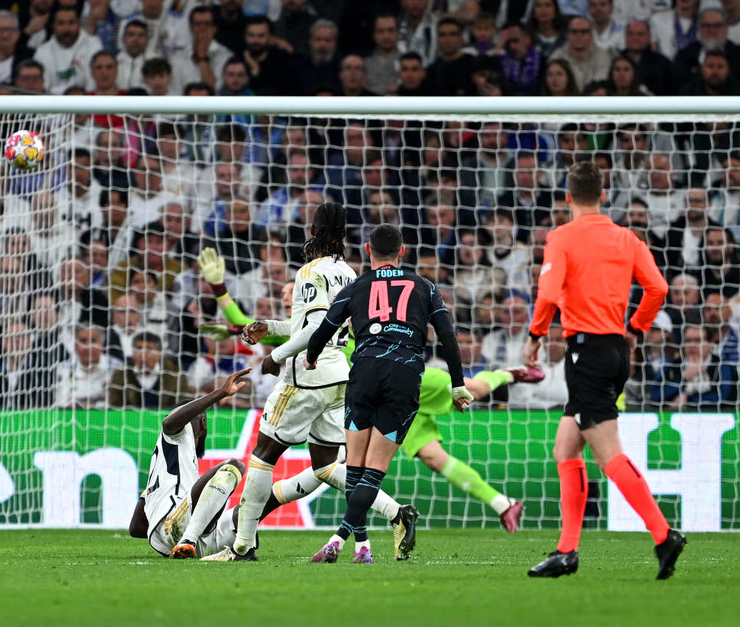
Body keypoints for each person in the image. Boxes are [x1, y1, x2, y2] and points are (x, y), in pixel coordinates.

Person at [201, 246, 541, 534]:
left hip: (394, 379)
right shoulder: (300, 329)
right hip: (369, 397)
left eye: (291, 292)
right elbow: (251, 326)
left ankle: (510, 373)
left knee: (474, 388)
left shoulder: (334, 318)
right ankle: (503, 504)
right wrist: (221, 294)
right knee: (432, 458)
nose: (286, 297)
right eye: (283, 295)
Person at [522, 160, 685, 580]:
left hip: (586, 353)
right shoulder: (626, 237)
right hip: (615, 351)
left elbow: (548, 293)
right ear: (604, 196)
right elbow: (658, 287)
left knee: (608, 453)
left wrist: (535, 335)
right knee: (566, 449)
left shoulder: (562, 237)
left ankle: (663, 533)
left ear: (567, 197)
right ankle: (566, 551)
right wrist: (637, 327)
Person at [231, 204, 417, 562]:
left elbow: (316, 328)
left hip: (307, 375)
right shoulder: (349, 273)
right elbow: (321, 325)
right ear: (344, 235)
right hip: (338, 377)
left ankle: (242, 545)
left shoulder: (309, 271)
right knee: (326, 466)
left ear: (312, 231)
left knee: (263, 454)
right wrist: (271, 327)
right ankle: (396, 512)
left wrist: (276, 356)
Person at [301, 223, 470, 564]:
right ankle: (345, 541)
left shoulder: (355, 287)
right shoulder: (425, 287)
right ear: (402, 251)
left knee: (354, 468)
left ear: (368, 250)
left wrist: (312, 356)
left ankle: (357, 546)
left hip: (365, 372)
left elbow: (325, 326)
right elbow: (448, 336)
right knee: (374, 469)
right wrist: (457, 384)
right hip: (404, 375)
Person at [128, 368, 251, 558]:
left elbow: (136, 527)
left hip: (173, 537)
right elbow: (169, 424)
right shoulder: (178, 436)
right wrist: (219, 393)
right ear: (203, 423)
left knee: (248, 512)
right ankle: (191, 539)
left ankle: (204, 542)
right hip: (177, 524)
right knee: (234, 467)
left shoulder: (165, 464)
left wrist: (165, 537)